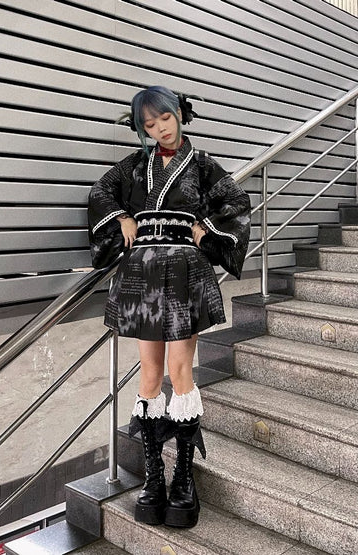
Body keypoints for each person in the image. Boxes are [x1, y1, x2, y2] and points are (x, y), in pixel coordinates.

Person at [88, 86, 250, 528]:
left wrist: (206, 229)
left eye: (164, 118)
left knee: (180, 373)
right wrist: (123, 217)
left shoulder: (202, 164)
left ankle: (183, 478)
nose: (160, 128)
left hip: (183, 273)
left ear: (179, 112)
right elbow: (101, 192)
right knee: (148, 375)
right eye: (149, 124)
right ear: (142, 129)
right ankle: (154, 477)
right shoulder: (134, 166)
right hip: (141, 273)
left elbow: (237, 201)